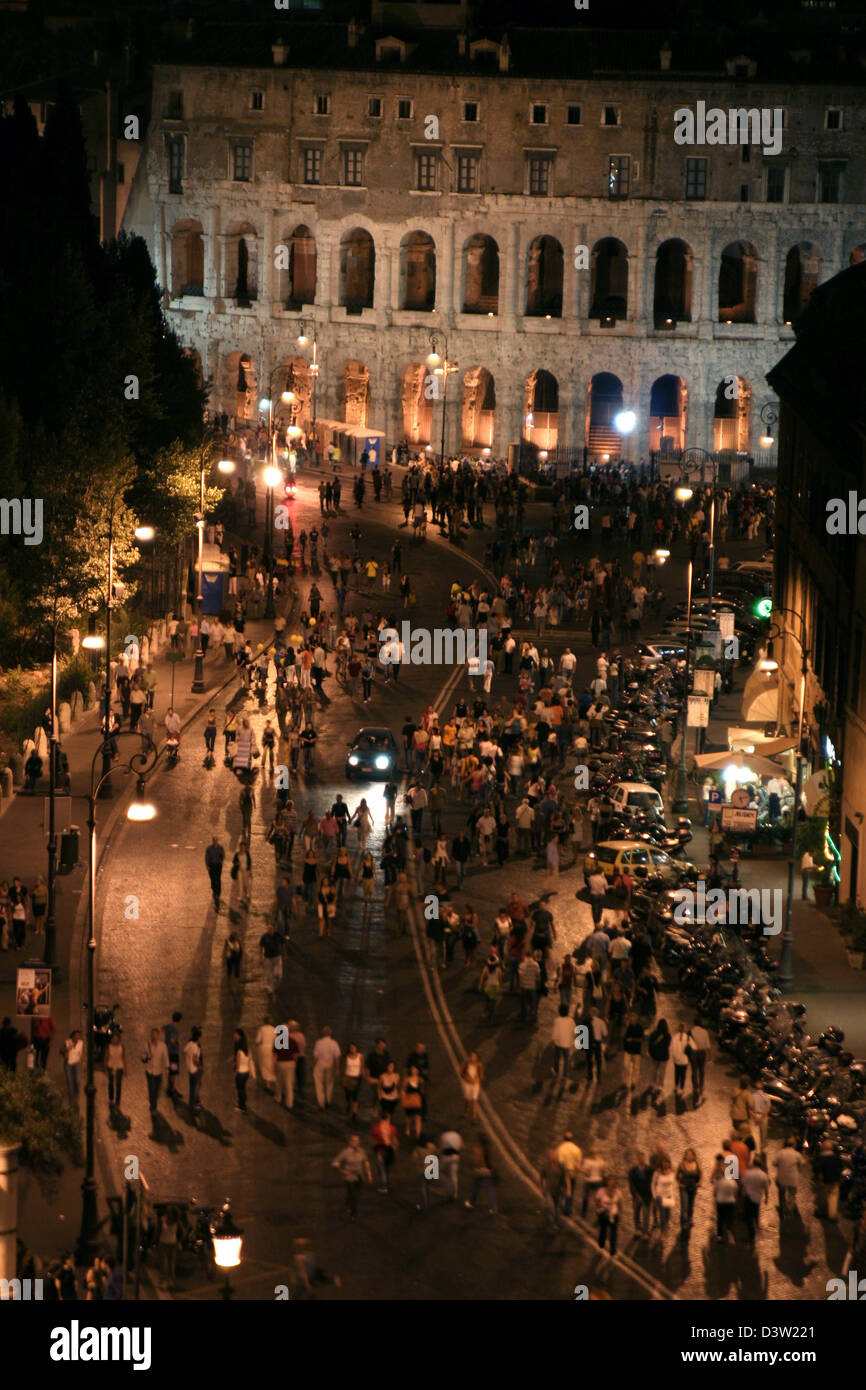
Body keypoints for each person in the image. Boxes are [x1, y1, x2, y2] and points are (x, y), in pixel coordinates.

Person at [332, 1134, 373, 1219]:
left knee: (356, 1194)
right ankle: (353, 1213)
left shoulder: (361, 1151)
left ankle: (348, 1203)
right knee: (353, 1194)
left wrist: (369, 1174)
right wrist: (343, 1171)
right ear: (350, 1142)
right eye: (354, 1141)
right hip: (350, 1177)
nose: (356, 1143)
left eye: (358, 1141)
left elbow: (366, 1162)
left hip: (359, 1176)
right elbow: (335, 1163)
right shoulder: (345, 1152)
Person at [741, 1154, 770, 1244]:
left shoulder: (747, 1173)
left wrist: (742, 1194)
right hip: (757, 1198)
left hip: (748, 1197)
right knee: (755, 1212)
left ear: (753, 1164)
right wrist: (766, 1198)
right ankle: (756, 1223)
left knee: (748, 1216)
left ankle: (752, 1235)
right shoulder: (764, 1175)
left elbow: (743, 1186)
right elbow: (766, 1188)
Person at [775, 1136, 804, 1219]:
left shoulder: (781, 1153)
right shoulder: (797, 1154)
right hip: (792, 1179)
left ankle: (782, 1207)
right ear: (794, 1145)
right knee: (792, 1194)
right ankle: (789, 1210)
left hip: (782, 1178)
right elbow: (801, 1165)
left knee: (781, 1193)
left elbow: (774, 1163)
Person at [814, 1138, 843, 1221]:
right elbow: (840, 1168)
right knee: (833, 1197)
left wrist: (820, 1181)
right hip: (835, 1181)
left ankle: (821, 1212)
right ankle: (832, 1215)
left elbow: (819, 1171)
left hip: (825, 1181)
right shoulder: (836, 1157)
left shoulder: (821, 1158)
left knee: (823, 1197)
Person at [312, 1026, 341, 1109]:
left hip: (320, 1063)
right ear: (330, 1033)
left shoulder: (318, 1042)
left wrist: (314, 1066)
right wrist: (337, 1068)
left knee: (319, 1083)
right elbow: (337, 1057)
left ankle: (321, 1102)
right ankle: (328, 1100)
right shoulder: (334, 1043)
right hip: (330, 1063)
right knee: (329, 1083)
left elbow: (316, 1057)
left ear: (322, 1034)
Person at [713, 1153, 739, 1243]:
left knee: (720, 1218)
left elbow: (714, 1192)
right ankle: (729, 1232)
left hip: (720, 1201)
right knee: (730, 1218)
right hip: (730, 1202)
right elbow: (736, 1192)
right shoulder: (733, 1182)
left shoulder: (718, 1180)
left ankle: (720, 1235)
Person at [371, 1112, 399, 1193]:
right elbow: (395, 1141)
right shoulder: (392, 1128)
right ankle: (389, 1184)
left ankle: (383, 1186)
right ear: (388, 1118)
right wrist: (396, 1150)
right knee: (388, 1168)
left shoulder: (375, 1128)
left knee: (381, 1168)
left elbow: (373, 1141)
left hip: (379, 1150)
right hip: (390, 1150)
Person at [676, 1148, 702, 1234]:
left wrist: (699, 1182)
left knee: (691, 1204)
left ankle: (690, 1219)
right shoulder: (682, 1164)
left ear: (694, 1156)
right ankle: (684, 1223)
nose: (689, 1156)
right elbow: (676, 1176)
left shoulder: (697, 1164)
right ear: (685, 1156)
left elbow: (701, 1174)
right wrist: (679, 1183)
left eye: (691, 1154)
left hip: (693, 1187)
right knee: (684, 1205)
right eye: (687, 1154)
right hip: (684, 1188)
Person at [651, 1155, 676, 1240]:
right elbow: (653, 1184)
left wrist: (672, 1194)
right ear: (661, 1163)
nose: (666, 1164)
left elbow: (673, 1184)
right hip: (660, 1196)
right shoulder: (657, 1173)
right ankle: (662, 1232)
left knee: (668, 1215)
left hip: (669, 1196)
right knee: (662, 1215)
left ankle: (664, 1229)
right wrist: (654, 1196)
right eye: (664, 1162)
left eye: (667, 1162)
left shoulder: (672, 1172)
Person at [230, 1028, 255, 1111]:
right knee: (243, 1089)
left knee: (240, 1090)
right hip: (246, 1072)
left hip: (240, 1073)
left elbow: (237, 1063)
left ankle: (241, 1106)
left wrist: (235, 1072)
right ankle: (242, 1104)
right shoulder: (247, 1050)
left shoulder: (239, 1052)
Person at [596, 1176, 622, 1256]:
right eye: (610, 1181)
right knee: (603, 1231)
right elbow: (597, 1201)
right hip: (604, 1214)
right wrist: (603, 1208)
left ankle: (613, 1251)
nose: (612, 1183)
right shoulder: (601, 1191)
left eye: (613, 1181)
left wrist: (620, 1213)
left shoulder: (618, 1192)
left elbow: (620, 1204)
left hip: (614, 1214)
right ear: (607, 1183)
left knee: (613, 1233)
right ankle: (601, 1245)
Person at [628, 1152, 652, 1236]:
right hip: (637, 1195)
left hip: (646, 1196)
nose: (642, 1160)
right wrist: (635, 1194)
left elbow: (651, 1183)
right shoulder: (633, 1170)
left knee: (646, 1214)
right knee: (636, 1213)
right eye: (640, 1158)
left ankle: (645, 1231)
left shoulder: (649, 1169)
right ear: (638, 1159)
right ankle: (637, 1228)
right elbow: (631, 1183)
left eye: (643, 1158)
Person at [688, 1019, 710, 1104]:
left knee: (694, 1070)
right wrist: (710, 1056)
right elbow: (708, 1046)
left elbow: (688, 1044)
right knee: (701, 1071)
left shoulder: (690, 1031)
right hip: (702, 1053)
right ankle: (701, 1087)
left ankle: (695, 1087)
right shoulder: (705, 1032)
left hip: (694, 1053)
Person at [648, 1019, 671, 1100]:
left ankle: (653, 1085)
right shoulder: (668, 1036)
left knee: (654, 1071)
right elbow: (667, 1045)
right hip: (663, 1057)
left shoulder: (653, 1034)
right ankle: (660, 1086)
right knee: (662, 1072)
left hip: (655, 1056)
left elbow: (650, 1045)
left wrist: (651, 1053)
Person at [581, 1146, 607, 1218]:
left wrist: (580, 1169)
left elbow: (587, 1173)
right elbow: (604, 1171)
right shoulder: (601, 1161)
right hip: (598, 1180)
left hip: (589, 1181)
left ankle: (583, 1213)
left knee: (586, 1197)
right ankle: (599, 1214)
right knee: (598, 1198)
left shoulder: (587, 1161)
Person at [622, 1012, 644, 1093]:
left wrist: (632, 1039)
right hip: (627, 1050)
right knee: (625, 1066)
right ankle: (625, 1081)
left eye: (633, 1020)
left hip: (636, 1051)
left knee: (636, 1068)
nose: (631, 1021)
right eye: (630, 1020)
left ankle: (633, 1082)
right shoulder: (627, 1027)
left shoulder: (640, 1028)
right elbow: (622, 1035)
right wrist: (626, 1026)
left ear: (636, 1020)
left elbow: (641, 1039)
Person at [341, 1042, 363, 1123]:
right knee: (348, 1094)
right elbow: (343, 1067)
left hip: (357, 1078)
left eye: (354, 1047)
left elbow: (362, 1066)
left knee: (355, 1096)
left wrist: (361, 1076)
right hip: (348, 1078)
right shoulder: (346, 1057)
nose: (352, 1049)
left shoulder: (360, 1056)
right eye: (351, 1048)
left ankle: (354, 1112)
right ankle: (348, 1103)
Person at [749, 1079, 772, 1153]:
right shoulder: (766, 1096)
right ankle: (762, 1149)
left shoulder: (752, 1096)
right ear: (763, 1088)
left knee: (754, 1133)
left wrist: (754, 1116)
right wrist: (762, 1116)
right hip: (763, 1116)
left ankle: (754, 1149)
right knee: (763, 1134)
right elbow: (768, 1108)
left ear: (755, 1088)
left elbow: (749, 1108)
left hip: (754, 1116)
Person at [551, 1004, 574, 1078]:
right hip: (567, 1043)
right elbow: (574, 1031)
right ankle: (565, 1074)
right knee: (566, 1059)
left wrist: (553, 1041)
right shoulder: (571, 1020)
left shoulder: (557, 1020)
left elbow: (555, 1032)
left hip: (558, 1042)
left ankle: (556, 1071)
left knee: (556, 1057)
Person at [460, 1051, 483, 1122]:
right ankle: (465, 1113)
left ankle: (474, 1117)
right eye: (472, 1056)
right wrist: (466, 1078)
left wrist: (476, 1080)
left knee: (474, 1100)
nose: (473, 1058)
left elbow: (480, 1074)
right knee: (468, 1099)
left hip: (475, 1085)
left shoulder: (479, 1065)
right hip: (467, 1084)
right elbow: (461, 1071)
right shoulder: (466, 1063)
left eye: (474, 1056)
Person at [184, 1027, 203, 1113]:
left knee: (191, 1088)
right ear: (199, 1037)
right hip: (195, 1070)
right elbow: (195, 1060)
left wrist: (188, 1057)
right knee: (195, 1088)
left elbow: (184, 1051)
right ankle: (194, 1105)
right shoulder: (196, 1047)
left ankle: (191, 1104)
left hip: (189, 1069)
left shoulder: (189, 1043)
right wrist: (200, 1066)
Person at [670, 1021, 691, 1098]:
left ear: (678, 1029)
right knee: (683, 1075)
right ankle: (682, 1088)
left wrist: (674, 1057)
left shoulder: (675, 1037)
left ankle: (676, 1086)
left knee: (677, 1073)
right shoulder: (687, 1037)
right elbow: (691, 1048)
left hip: (677, 1059)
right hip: (684, 1060)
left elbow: (672, 1048)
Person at [255, 1017, 277, 1093]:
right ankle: (270, 1080)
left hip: (263, 1048)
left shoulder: (262, 1029)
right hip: (272, 1048)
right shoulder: (274, 1029)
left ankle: (266, 1082)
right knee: (270, 1064)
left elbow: (258, 1040)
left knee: (264, 1065)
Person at [105, 1030, 125, 1111]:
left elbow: (123, 1057)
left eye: (117, 1038)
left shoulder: (122, 1046)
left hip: (119, 1067)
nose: (115, 1040)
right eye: (114, 1038)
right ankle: (111, 1099)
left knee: (118, 1084)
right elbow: (106, 1058)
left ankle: (117, 1101)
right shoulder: (109, 1047)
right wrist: (105, 1068)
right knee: (110, 1084)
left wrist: (125, 1068)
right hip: (111, 1066)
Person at [62, 1029, 83, 1104]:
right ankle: (72, 1098)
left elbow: (82, 1054)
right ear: (73, 1036)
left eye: (79, 1036)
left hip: (77, 1062)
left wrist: (83, 1063)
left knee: (77, 1080)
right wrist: (68, 1048)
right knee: (70, 1081)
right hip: (68, 1063)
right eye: (76, 1035)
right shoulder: (68, 1042)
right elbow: (62, 1051)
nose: (77, 1037)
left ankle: (77, 1095)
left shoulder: (81, 1043)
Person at [164, 1012, 182, 1098]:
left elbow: (163, 1027)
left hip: (167, 1052)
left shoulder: (169, 1026)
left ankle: (169, 1088)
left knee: (170, 1071)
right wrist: (176, 1045)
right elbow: (172, 1040)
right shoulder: (175, 1029)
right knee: (173, 1073)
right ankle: (172, 1090)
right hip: (173, 1053)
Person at [205, 837, 225, 909]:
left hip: (218, 865)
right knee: (213, 879)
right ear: (212, 841)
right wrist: (207, 865)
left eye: (216, 840)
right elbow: (206, 857)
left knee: (218, 878)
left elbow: (223, 855)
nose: (215, 842)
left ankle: (218, 892)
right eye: (214, 841)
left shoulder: (220, 848)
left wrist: (221, 861)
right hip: (211, 866)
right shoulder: (209, 849)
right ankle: (214, 889)